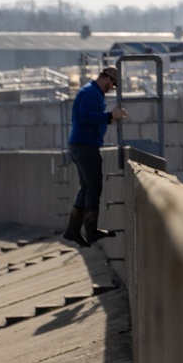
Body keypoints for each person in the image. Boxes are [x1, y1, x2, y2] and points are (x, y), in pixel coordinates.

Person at [63, 65, 128, 246]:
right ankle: (91, 231)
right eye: (113, 85)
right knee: (94, 187)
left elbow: (90, 116)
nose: (112, 89)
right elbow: (86, 116)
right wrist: (108, 116)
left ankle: (73, 230)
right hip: (86, 147)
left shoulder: (92, 92)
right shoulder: (91, 92)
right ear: (107, 79)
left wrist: (110, 118)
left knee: (85, 188)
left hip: (81, 145)